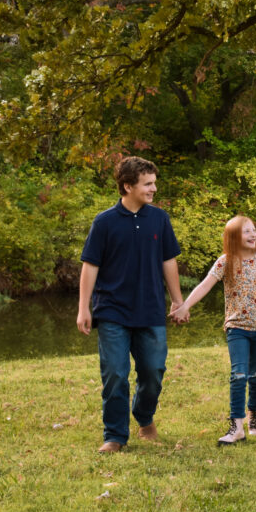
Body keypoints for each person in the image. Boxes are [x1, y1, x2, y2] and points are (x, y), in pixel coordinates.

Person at [77, 156, 184, 453]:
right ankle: (114, 435)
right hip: (112, 310)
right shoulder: (104, 222)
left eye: (154, 183)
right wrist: (83, 307)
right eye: (147, 184)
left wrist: (178, 301)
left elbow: (168, 261)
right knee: (115, 373)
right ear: (127, 186)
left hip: (150, 309)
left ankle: (144, 415)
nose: (153, 189)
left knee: (153, 371)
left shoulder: (159, 219)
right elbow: (90, 266)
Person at [173, 216, 256, 446]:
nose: (254, 235)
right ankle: (237, 426)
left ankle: (254, 415)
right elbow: (204, 285)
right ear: (233, 237)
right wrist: (184, 306)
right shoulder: (225, 262)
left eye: (254, 231)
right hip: (237, 327)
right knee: (239, 374)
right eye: (247, 232)